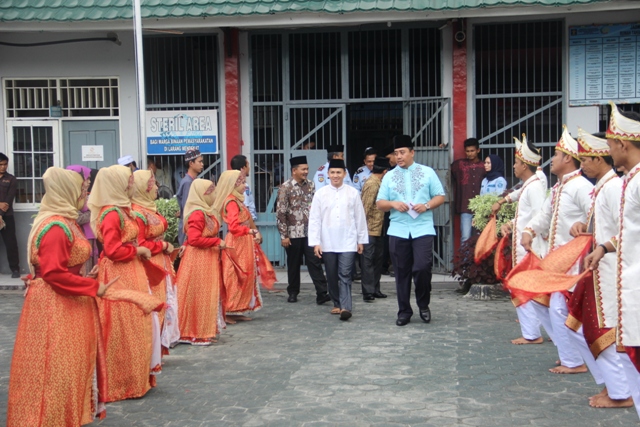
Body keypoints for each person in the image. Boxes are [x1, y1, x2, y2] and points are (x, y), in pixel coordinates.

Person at [7, 168, 115, 427]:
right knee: (55, 367)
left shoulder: (65, 221)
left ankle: (67, 416)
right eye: (81, 189)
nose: (85, 194)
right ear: (67, 192)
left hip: (67, 301)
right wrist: (92, 288)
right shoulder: (56, 225)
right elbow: (54, 274)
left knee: (68, 365)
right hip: (56, 305)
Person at [521, 125, 594, 374]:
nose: (551, 159)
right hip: (556, 263)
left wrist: (585, 224)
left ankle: (574, 360)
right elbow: (544, 216)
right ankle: (569, 354)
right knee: (541, 301)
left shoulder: (581, 186)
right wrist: (529, 231)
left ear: (568, 159)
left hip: (574, 263)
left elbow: (596, 218)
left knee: (560, 309)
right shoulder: (559, 188)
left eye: (555, 154)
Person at [568, 128, 632, 408]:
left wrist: (603, 247)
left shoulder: (615, 187)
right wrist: (585, 228)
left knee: (603, 333)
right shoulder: (605, 187)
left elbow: (624, 232)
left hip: (612, 277)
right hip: (598, 273)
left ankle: (620, 393)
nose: (581, 166)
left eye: (585, 160)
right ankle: (614, 387)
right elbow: (607, 228)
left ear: (598, 159)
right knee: (581, 328)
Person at [584, 104, 640, 418]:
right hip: (626, 284)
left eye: (610, 144)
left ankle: (618, 393)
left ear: (622, 144)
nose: (608, 150)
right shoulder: (629, 180)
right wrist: (604, 247)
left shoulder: (633, 182)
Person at [89, 165, 159, 402]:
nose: (132, 185)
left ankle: (135, 377)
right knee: (121, 328)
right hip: (119, 273)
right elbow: (112, 250)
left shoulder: (122, 210)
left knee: (134, 325)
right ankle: (120, 381)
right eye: (128, 181)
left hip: (130, 270)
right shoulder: (112, 213)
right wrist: (137, 249)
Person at [376, 135, 446, 326]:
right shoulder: (389, 176)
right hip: (398, 230)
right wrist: (393, 203)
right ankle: (404, 311)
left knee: (422, 267)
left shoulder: (427, 172)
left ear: (412, 153)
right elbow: (380, 203)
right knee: (401, 272)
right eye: (396, 153)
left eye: (402, 152)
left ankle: (423, 304)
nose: (398, 157)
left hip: (422, 228)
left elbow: (440, 196)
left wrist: (427, 205)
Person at [494, 134, 550, 345]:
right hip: (526, 248)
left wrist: (534, 242)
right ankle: (533, 332)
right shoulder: (530, 184)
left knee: (525, 289)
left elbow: (539, 217)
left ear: (525, 165)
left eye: (517, 163)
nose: (514, 166)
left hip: (530, 249)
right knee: (526, 290)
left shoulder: (534, 186)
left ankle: (532, 334)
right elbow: (520, 199)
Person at [308, 158, 368, 321]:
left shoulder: (353, 193)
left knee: (345, 273)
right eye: (333, 172)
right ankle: (336, 302)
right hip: (327, 241)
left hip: (348, 240)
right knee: (332, 274)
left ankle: (346, 307)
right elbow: (314, 219)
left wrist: (361, 240)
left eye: (338, 172)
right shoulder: (320, 194)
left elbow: (359, 218)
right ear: (328, 174)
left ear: (344, 174)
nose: (335, 175)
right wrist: (316, 242)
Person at [131, 170, 180, 351]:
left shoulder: (149, 208)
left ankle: (160, 345)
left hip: (162, 259)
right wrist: (162, 246)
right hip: (150, 262)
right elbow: (140, 243)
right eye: (153, 183)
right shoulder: (137, 213)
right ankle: (153, 348)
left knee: (165, 299)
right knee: (156, 302)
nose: (157, 187)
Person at [176, 179, 226, 345]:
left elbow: (190, 237)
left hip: (206, 258)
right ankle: (193, 331)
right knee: (198, 294)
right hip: (198, 259)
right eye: (210, 191)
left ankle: (202, 329)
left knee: (204, 294)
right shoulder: (198, 213)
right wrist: (216, 242)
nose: (214, 194)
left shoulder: (206, 211)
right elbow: (194, 239)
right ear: (202, 194)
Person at [276, 155, 331, 304]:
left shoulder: (311, 185)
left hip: (310, 233)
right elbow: (281, 212)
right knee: (294, 264)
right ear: (294, 170)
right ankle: (293, 292)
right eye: (303, 169)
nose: (306, 171)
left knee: (315, 262)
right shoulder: (285, 187)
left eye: (307, 169)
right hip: (293, 234)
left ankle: (322, 293)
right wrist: (284, 235)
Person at [214, 170, 265, 322]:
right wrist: (250, 230)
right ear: (233, 185)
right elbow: (234, 227)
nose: (244, 186)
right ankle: (229, 309)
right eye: (242, 183)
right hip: (237, 243)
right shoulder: (231, 202)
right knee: (234, 275)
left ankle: (238, 308)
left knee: (245, 274)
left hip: (244, 242)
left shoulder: (237, 200)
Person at [360, 156, 390, 302]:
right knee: (368, 261)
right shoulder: (372, 184)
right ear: (385, 171)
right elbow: (364, 208)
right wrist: (360, 231)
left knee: (377, 260)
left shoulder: (379, 183)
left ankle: (375, 289)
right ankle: (368, 291)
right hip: (369, 229)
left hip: (378, 228)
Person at [451, 138, 485, 243]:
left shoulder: (484, 166)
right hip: (465, 207)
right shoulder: (459, 165)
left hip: (481, 208)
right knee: (465, 237)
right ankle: (465, 260)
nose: (469, 153)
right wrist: (441, 150)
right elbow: (445, 171)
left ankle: (479, 260)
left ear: (478, 150)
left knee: (481, 238)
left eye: (472, 151)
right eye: (467, 151)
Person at [66, 165, 99, 272]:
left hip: (88, 236)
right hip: (78, 238)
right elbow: (77, 218)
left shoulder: (82, 196)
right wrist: (93, 211)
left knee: (91, 268)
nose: (89, 182)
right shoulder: (69, 197)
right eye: (87, 178)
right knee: (83, 269)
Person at [176, 149, 204, 245]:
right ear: (191, 163)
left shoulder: (192, 180)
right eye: (199, 162)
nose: (202, 164)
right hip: (188, 227)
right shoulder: (188, 182)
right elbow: (188, 208)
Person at [0, 153, 20, 278]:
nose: (3, 167)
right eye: (1, 165)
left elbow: (8, 200)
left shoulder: (11, 179)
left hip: (7, 216)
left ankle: (15, 269)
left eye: (5, 164)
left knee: (11, 243)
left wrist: (0, 215)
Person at [230, 154, 257, 220]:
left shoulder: (233, 184)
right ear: (243, 168)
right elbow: (246, 208)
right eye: (248, 165)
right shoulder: (242, 186)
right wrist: (253, 228)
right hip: (247, 222)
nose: (249, 168)